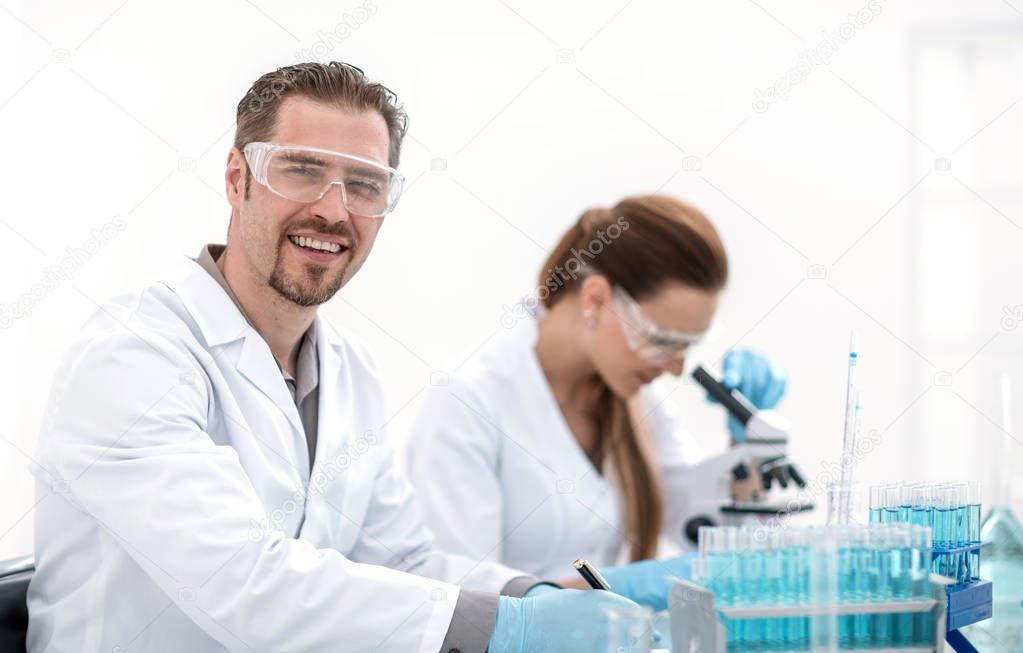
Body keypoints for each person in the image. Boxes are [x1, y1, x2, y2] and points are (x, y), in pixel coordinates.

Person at [26, 62, 664, 653]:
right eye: (300, 170)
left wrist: (538, 595)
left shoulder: (349, 367)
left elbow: (402, 560)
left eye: (365, 185)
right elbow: (243, 580)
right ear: (236, 178)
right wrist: (511, 629)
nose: (333, 210)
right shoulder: (134, 355)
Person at [406, 195, 787, 606]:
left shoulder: (639, 398)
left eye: (689, 346)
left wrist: (747, 454)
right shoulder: (469, 401)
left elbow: (702, 529)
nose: (676, 368)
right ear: (596, 300)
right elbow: (461, 600)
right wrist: (626, 588)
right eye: (662, 341)